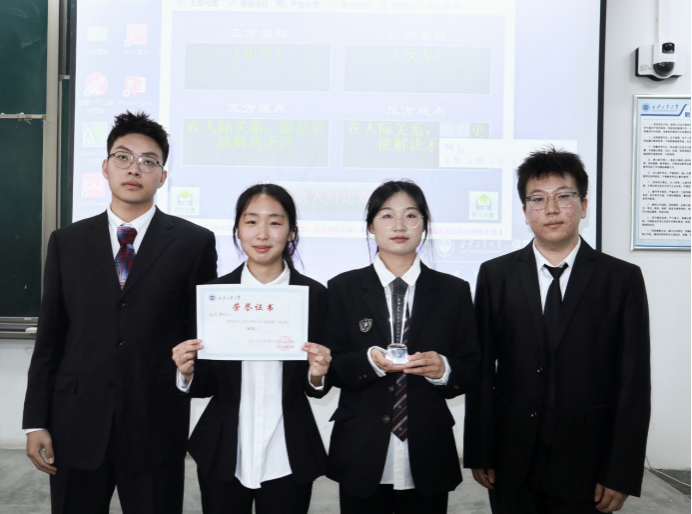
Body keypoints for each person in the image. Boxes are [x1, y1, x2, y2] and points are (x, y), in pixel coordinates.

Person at [22, 111, 218, 514]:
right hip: (76, 424)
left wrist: (190, 376)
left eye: (149, 161)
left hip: (155, 424)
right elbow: (51, 337)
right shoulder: (67, 242)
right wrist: (36, 420)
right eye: (123, 157)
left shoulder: (193, 243)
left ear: (162, 177)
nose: (134, 169)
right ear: (105, 167)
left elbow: (199, 334)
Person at [464, 147, 651, 514]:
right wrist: (479, 451)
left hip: (589, 461)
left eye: (563, 196)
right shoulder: (495, 275)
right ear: (525, 211)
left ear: (583, 205)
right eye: (538, 199)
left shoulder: (621, 279)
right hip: (511, 459)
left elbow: (634, 381)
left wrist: (622, 472)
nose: (551, 209)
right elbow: (481, 370)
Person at [172, 184, 332, 514]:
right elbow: (206, 383)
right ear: (237, 230)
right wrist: (187, 372)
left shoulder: (314, 296)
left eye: (275, 222)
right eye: (251, 221)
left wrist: (317, 374)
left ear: (291, 232)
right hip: (224, 448)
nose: (262, 234)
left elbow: (314, 386)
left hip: (288, 450)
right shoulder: (214, 296)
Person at [324, 180, 480, 514]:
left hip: (427, 449)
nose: (399, 226)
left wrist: (444, 369)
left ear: (424, 225)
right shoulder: (342, 289)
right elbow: (331, 367)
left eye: (411, 215)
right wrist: (370, 362)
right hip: (361, 449)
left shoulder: (453, 291)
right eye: (387, 216)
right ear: (371, 225)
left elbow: (472, 368)